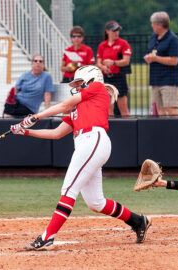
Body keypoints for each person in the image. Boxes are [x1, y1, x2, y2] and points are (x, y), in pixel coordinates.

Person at [10, 66, 151, 250]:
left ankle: (47, 237)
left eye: (79, 83)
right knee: (95, 202)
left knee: (68, 189)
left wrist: (36, 116)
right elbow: (56, 133)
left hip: (93, 139)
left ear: (90, 79)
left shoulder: (97, 88)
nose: (76, 87)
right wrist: (26, 132)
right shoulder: (79, 107)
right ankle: (138, 221)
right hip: (87, 145)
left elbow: (63, 105)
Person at [143, 11, 178, 116]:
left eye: (153, 23)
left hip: (169, 80)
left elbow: (174, 60)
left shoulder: (173, 39)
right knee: (158, 109)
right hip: (156, 79)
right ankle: (162, 131)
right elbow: (151, 51)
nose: (152, 26)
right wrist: (148, 57)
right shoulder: (154, 37)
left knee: (171, 107)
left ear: (160, 25)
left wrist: (155, 58)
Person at [96, 21, 132, 117]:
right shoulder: (102, 45)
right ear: (107, 31)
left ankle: (128, 129)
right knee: (108, 108)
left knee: (123, 107)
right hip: (106, 77)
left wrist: (113, 62)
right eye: (114, 30)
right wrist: (103, 67)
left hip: (118, 77)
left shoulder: (123, 43)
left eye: (117, 30)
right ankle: (110, 129)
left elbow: (126, 61)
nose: (116, 33)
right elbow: (98, 62)